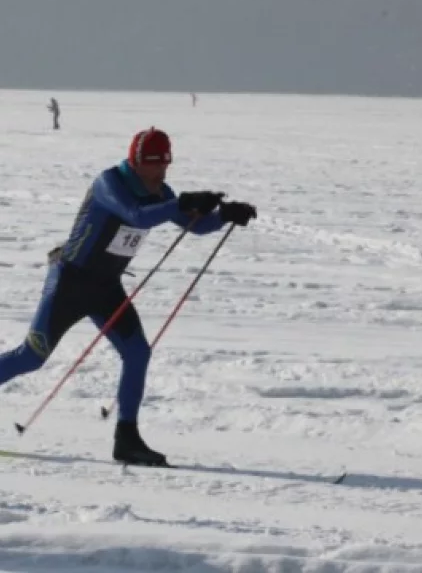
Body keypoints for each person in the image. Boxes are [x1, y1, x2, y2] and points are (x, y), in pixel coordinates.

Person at [0, 127, 257, 466]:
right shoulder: (109, 183)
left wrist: (224, 215)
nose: (162, 172)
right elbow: (136, 214)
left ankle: (127, 438)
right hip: (70, 284)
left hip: (106, 289)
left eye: (166, 164)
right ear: (136, 162)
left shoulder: (161, 191)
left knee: (137, 353)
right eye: (155, 165)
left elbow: (192, 224)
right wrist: (181, 202)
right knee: (32, 357)